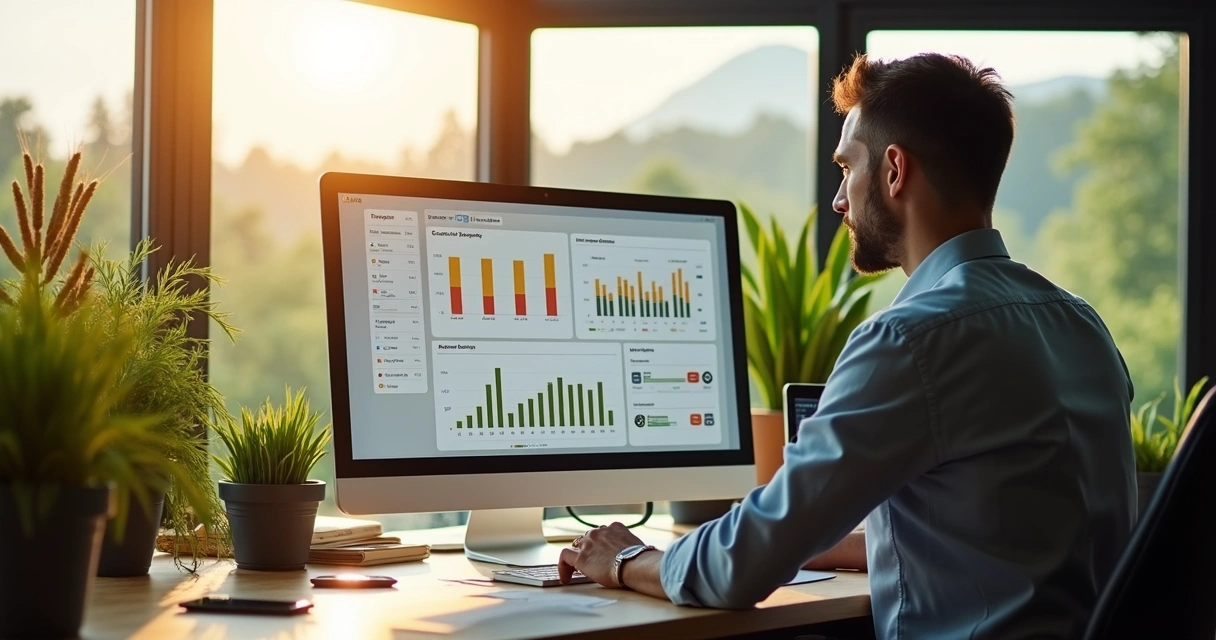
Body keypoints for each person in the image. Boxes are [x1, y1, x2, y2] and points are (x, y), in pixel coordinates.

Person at [558, 52, 1137, 639]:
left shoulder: (909, 340)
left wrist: (626, 559)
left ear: (893, 171)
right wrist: (822, 543)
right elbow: (1017, 533)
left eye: (845, 168)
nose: (839, 200)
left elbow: (735, 571)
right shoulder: (1080, 325)